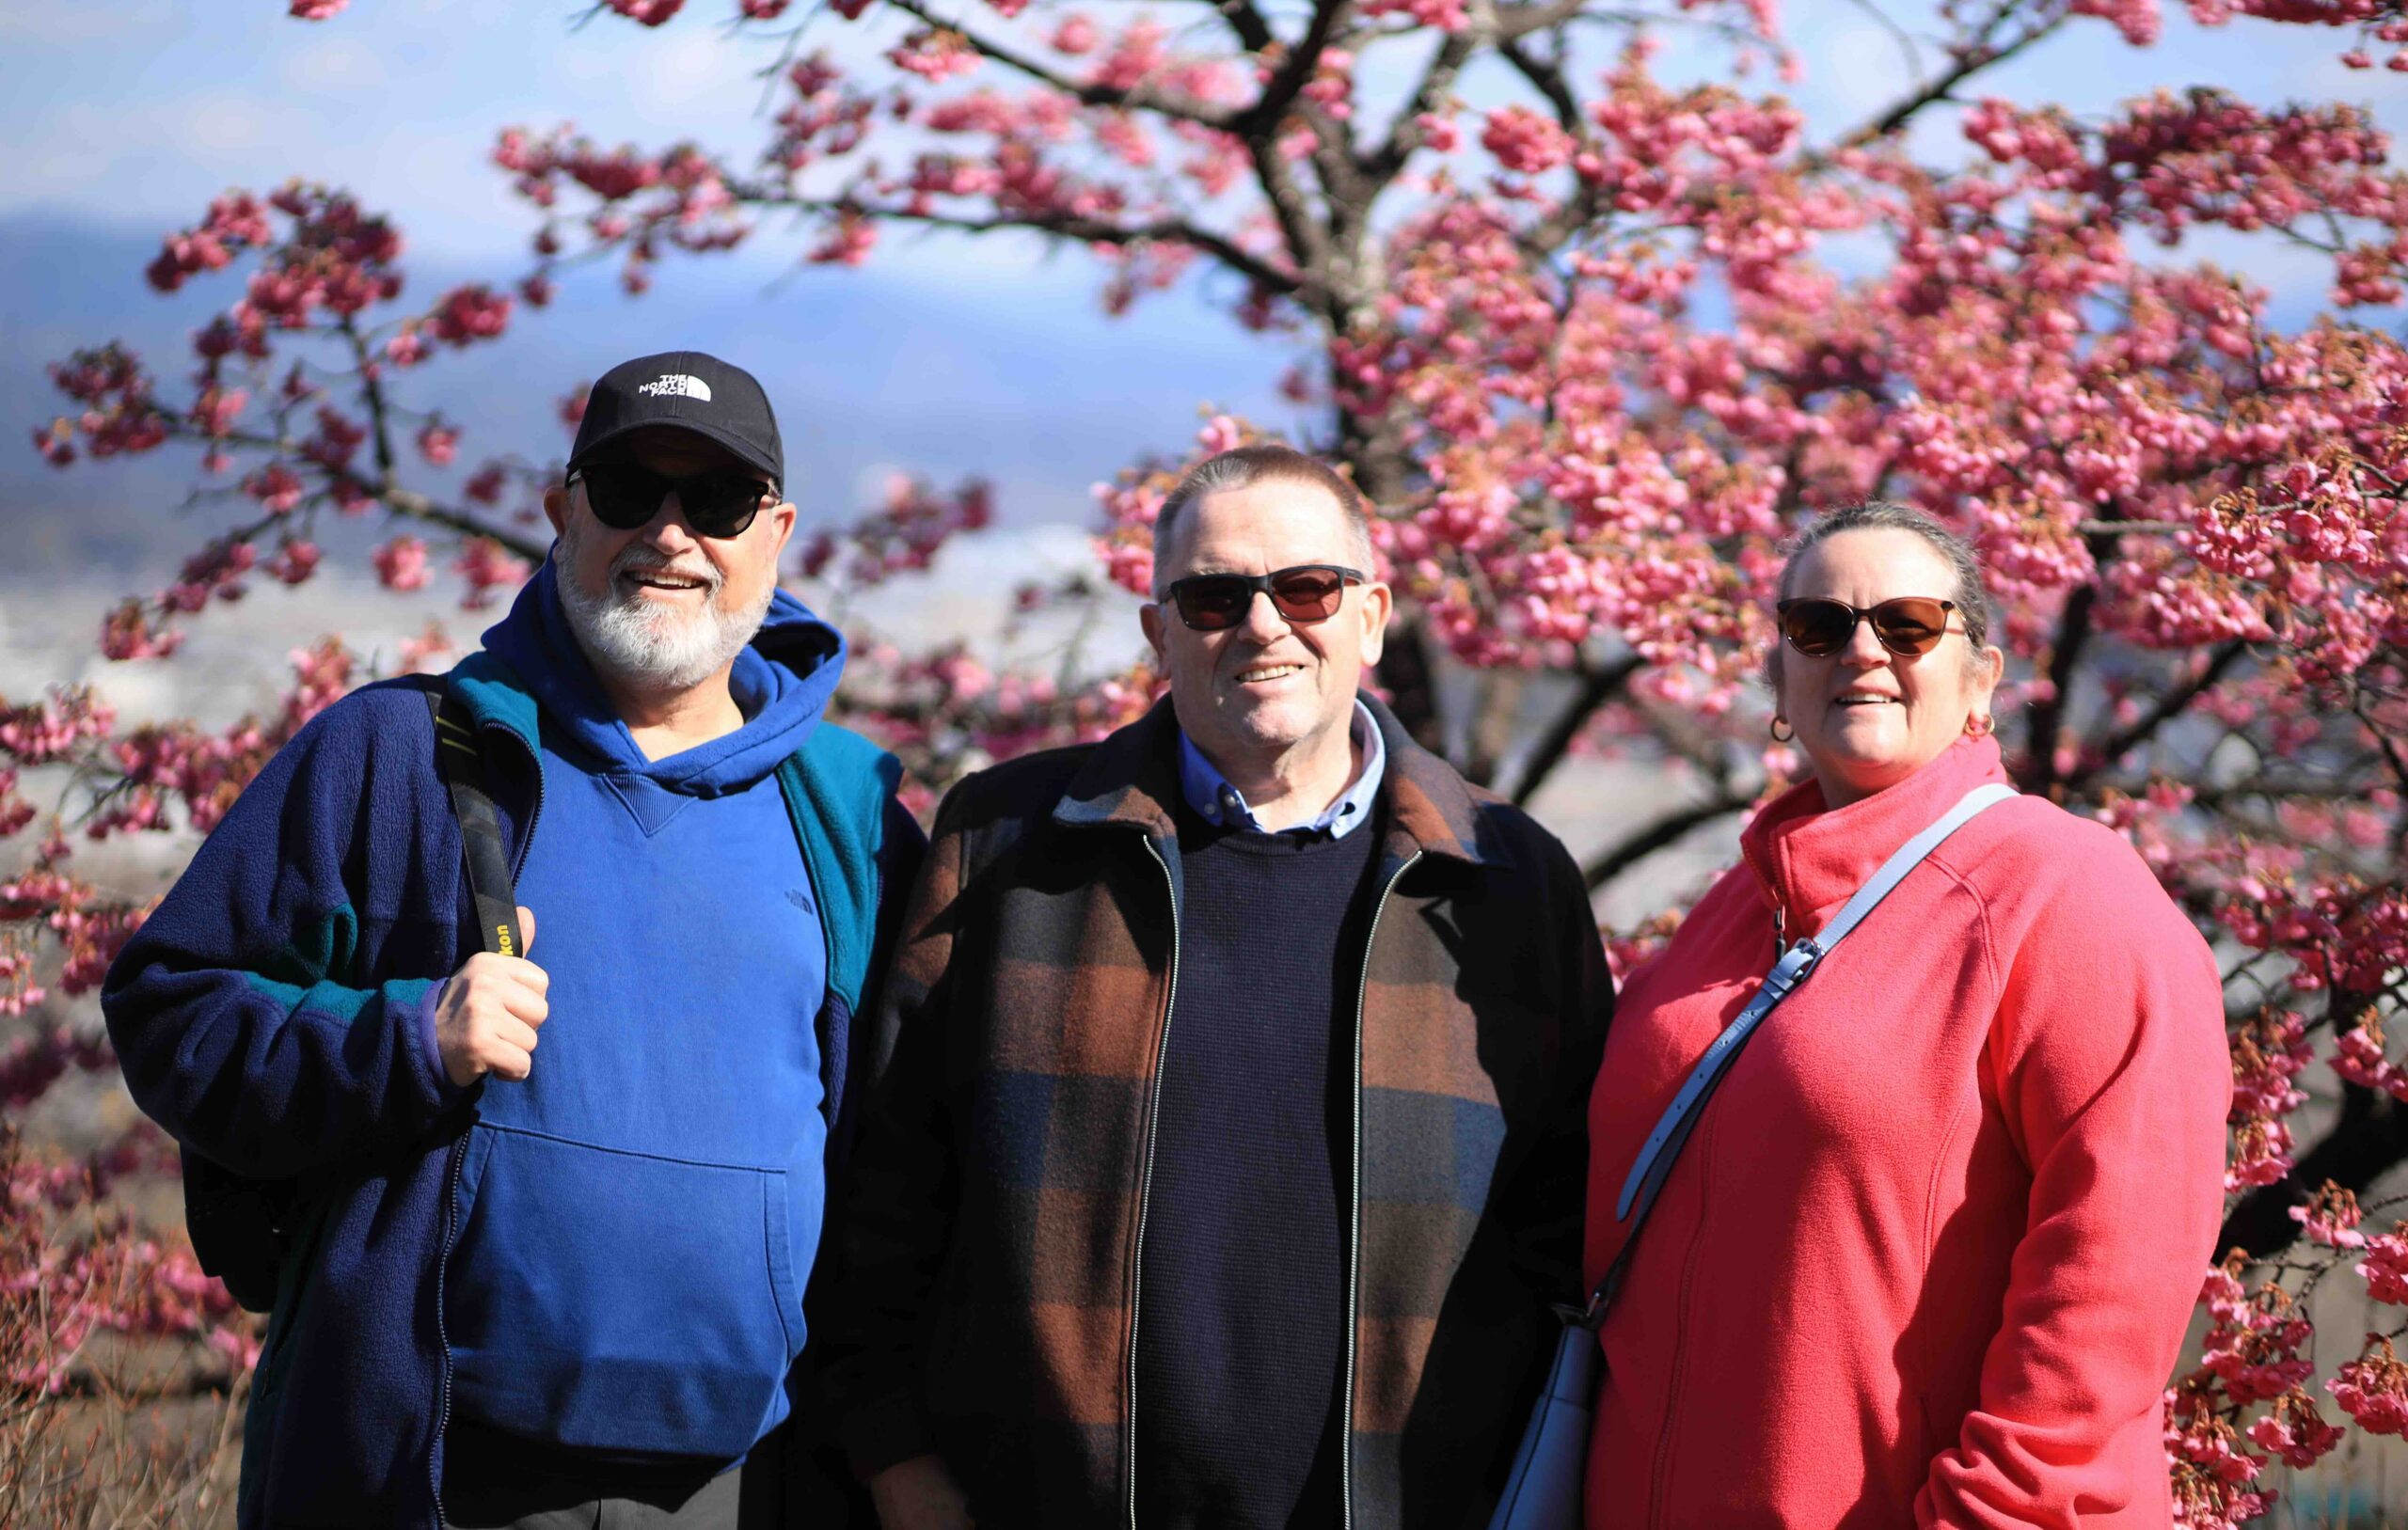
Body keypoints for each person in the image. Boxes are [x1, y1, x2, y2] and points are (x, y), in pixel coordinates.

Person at [103, 350, 924, 1530]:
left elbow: (905, 1159)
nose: (671, 534)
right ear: (563, 513)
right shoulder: (402, 755)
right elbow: (171, 1004)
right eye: (629, 491)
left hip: (747, 1489)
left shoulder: (847, 814)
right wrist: (404, 1038)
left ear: (778, 531)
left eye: (719, 502)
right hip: (433, 1474)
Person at [824, 445, 1614, 1530]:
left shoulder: (1507, 880)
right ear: (1158, 634)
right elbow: (889, 1183)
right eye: (1212, 596)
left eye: (1306, 588)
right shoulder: (1010, 846)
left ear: (1372, 615)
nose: (1262, 624)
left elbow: (1563, 1226)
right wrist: (894, 1459)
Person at [1580, 499, 2231, 1526]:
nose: (1861, 650)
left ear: (1980, 676)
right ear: (1779, 679)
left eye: (1908, 624)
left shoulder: (2066, 894)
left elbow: (2107, 1287)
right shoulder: (1728, 911)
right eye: (1819, 626)